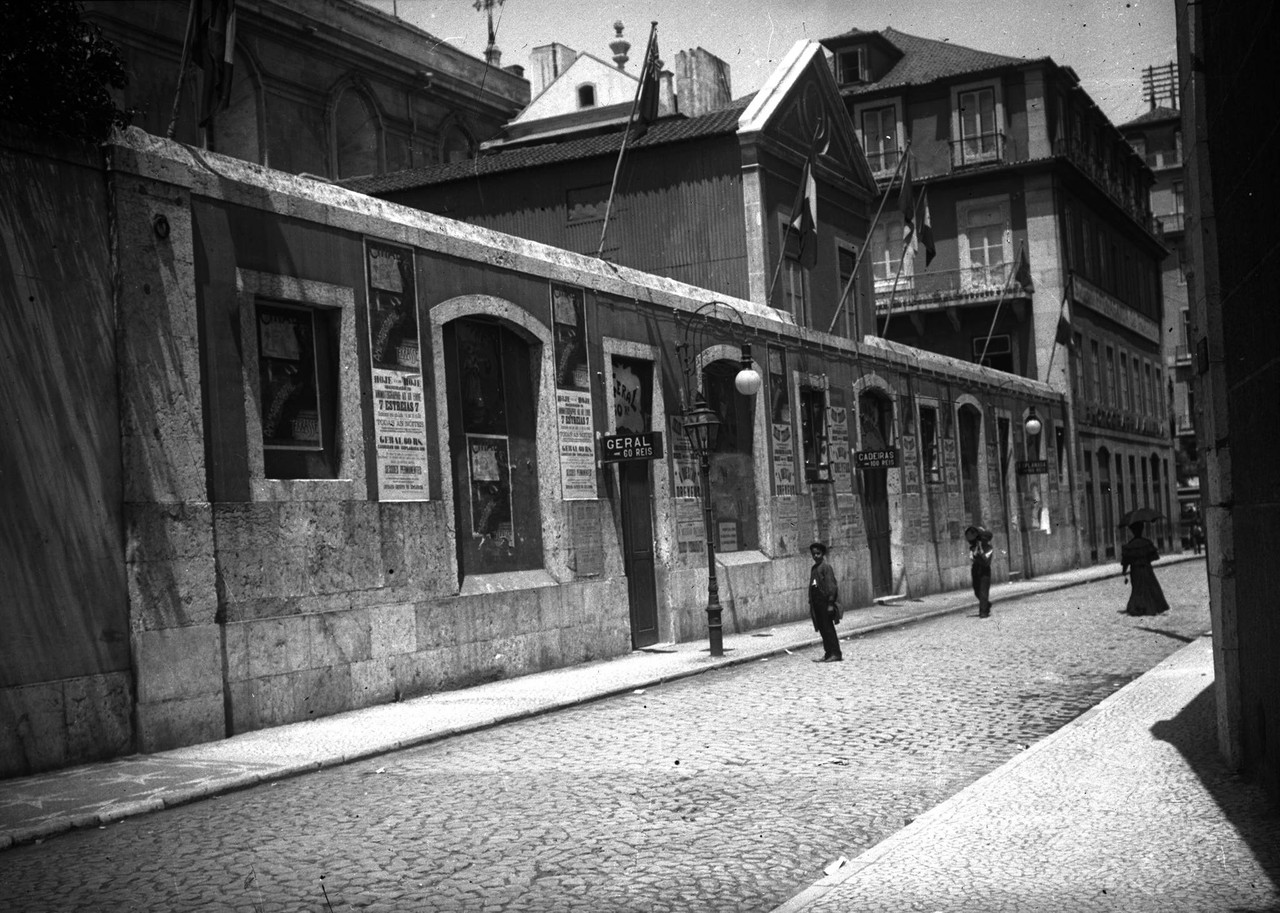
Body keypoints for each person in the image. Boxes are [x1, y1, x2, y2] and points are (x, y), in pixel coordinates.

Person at [1121, 521, 1170, 616]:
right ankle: (1153, 606)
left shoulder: (1130, 545)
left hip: (1135, 571)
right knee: (1150, 587)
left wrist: (1124, 571)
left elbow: (1126, 560)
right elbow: (1154, 557)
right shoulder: (1147, 543)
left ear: (1133, 531)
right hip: (1147, 569)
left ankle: (1139, 607)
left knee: (1137, 588)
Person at [808, 542, 842, 662]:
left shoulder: (826, 567)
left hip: (825, 603)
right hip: (817, 604)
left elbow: (831, 586)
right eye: (813, 554)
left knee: (828, 628)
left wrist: (830, 603)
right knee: (822, 629)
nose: (815, 556)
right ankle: (828, 653)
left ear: (822, 554)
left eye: (818, 553)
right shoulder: (814, 568)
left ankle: (836, 653)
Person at [965, 526, 994, 618]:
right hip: (976, 569)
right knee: (977, 591)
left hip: (985, 570)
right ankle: (986, 604)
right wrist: (976, 550)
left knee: (983, 591)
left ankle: (983, 612)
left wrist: (980, 551)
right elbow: (972, 558)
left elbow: (986, 561)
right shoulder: (974, 548)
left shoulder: (989, 548)